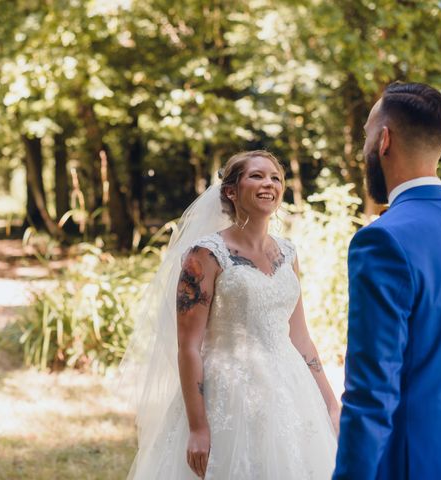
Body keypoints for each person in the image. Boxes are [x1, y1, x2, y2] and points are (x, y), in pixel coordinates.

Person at [122, 150, 338, 479]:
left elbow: (301, 338)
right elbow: (189, 346)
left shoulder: (289, 253)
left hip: (288, 389)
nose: (269, 183)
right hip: (225, 391)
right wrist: (197, 427)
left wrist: (331, 405)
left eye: (275, 178)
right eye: (257, 176)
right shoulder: (205, 255)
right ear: (231, 191)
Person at [334, 82, 441, 479]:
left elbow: (371, 392)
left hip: (411, 463)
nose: (363, 147)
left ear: (384, 140)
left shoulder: (381, 240)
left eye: (367, 134)